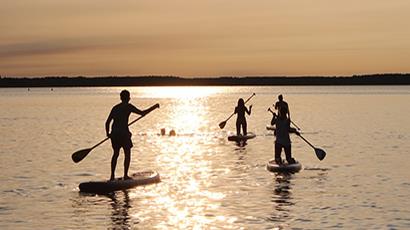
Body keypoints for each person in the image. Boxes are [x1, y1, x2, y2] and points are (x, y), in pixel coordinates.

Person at [105, 90, 159, 180]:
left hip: (114, 134)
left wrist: (108, 133)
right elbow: (142, 113)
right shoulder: (128, 106)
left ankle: (112, 176)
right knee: (127, 153)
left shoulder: (115, 108)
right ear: (128, 98)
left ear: (121, 98)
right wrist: (154, 107)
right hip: (123, 134)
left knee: (115, 154)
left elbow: (107, 122)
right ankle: (125, 175)